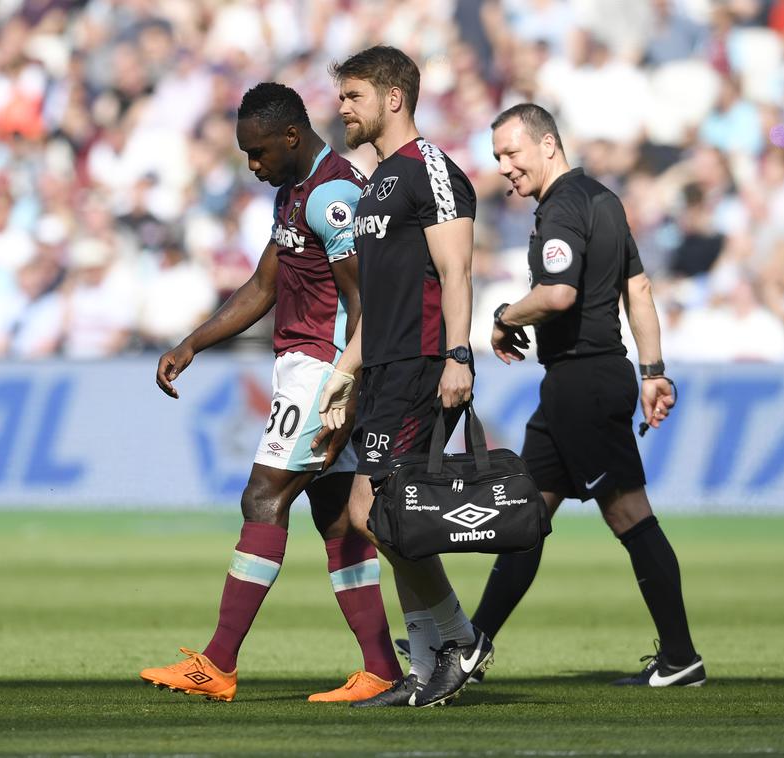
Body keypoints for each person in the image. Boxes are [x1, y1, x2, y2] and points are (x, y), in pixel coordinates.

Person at [138, 82, 403, 703]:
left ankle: (218, 663)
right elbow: (263, 285)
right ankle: (383, 668)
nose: (252, 165)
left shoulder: (334, 194)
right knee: (339, 519)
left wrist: (350, 382)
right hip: (310, 367)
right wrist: (193, 343)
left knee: (263, 496)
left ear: (291, 136)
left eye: (258, 153)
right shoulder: (295, 191)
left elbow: (365, 297)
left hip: (325, 369)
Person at [477, 102, 704, 687]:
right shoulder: (604, 201)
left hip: (583, 381)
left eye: (511, 152)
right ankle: (471, 647)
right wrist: (654, 371)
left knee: (630, 514)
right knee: (526, 517)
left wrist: (503, 314)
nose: (504, 166)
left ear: (548, 144)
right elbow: (640, 288)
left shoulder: (562, 209)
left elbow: (556, 295)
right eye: (498, 156)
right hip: (584, 382)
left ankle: (681, 658)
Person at [318, 45, 493, 709]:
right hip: (384, 368)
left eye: (353, 96)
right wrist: (344, 371)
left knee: (379, 512)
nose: (342, 108)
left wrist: (459, 355)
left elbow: (457, 271)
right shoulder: (375, 186)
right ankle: (427, 666)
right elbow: (383, 300)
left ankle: (458, 639)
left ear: (393, 98)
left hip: (424, 364)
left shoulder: (433, 172)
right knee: (377, 514)